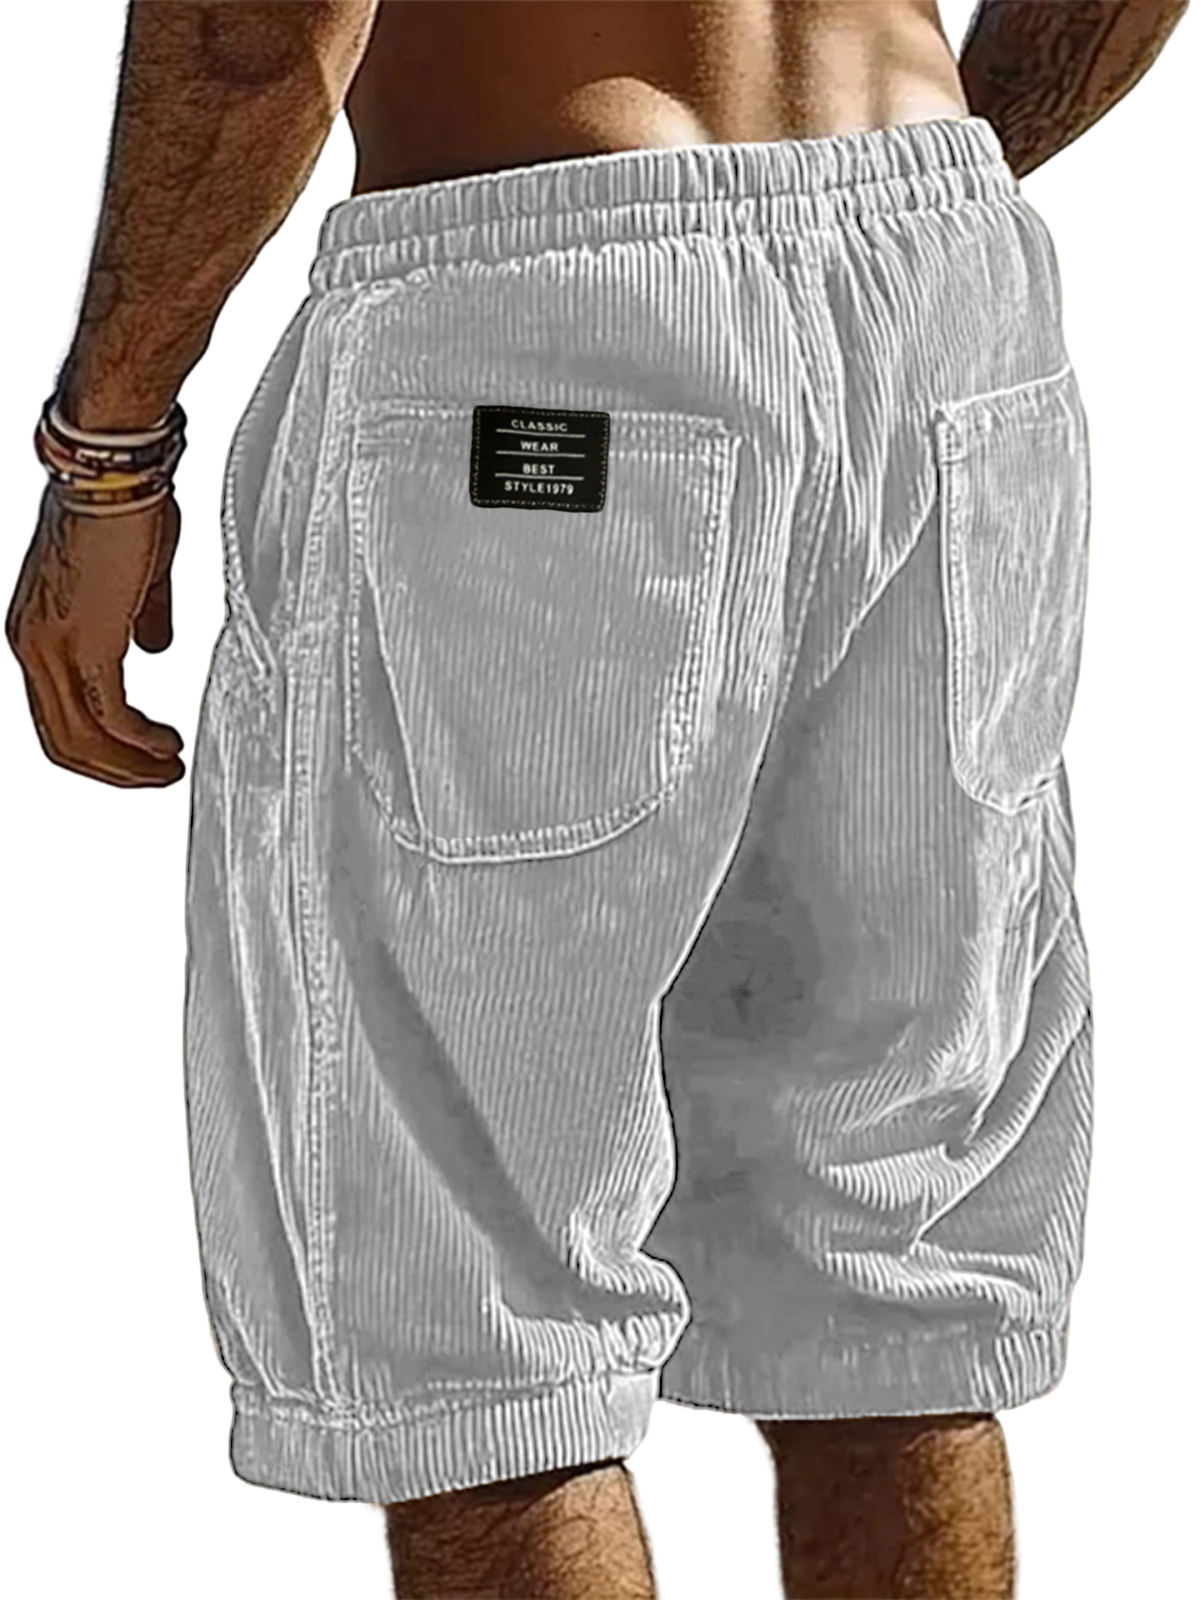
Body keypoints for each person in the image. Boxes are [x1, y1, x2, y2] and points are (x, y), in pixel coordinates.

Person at [5, 4, 1190, 1597]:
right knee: (886, 1272)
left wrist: (108, 446)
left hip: (545, 313)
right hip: (942, 297)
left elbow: (256, 30)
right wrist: (901, 196)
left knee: (480, 1318)